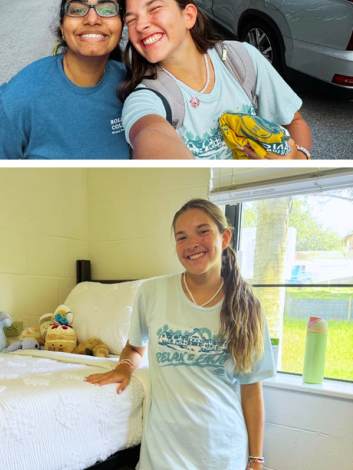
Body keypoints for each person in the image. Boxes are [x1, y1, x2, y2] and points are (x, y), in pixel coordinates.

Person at [86, 199, 274, 470]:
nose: (192, 243)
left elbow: (252, 391)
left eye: (203, 231)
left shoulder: (248, 308)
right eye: (181, 236)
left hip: (222, 449)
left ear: (225, 238)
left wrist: (256, 459)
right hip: (164, 452)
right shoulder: (151, 293)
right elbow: (136, 348)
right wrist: (125, 366)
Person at [119, 0, 312, 159]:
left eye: (154, 9)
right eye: (131, 20)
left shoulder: (243, 59)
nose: (141, 25)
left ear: (188, 16)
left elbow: (294, 121)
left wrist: (299, 157)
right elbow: (149, 133)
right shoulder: (145, 98)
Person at [0, 0, 129, 159]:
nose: (92, 19)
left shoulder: (132, 86)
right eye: (77, 10)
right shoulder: (15, 102)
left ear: (121, 25)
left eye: (107, 10)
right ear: (62, 26)